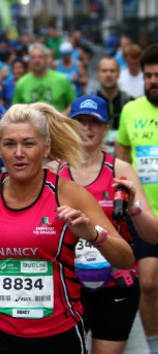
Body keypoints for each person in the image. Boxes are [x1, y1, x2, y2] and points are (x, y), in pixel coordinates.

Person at [0, 102, 134, 353]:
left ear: (46, 147)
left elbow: (125, 258)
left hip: (56, 335)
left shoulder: (70, 195)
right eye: (10, 144)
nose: (19, 153)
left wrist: (93, 236)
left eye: (29, 143)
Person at [55, 94, 158, 354]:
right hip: (68, 285)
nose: (87, 129)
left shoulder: (121, 169)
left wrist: (133, 208)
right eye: (80, 122)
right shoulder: (54, 171)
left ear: (104, 129)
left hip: (116, 282)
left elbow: (153, 235)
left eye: (94, 122)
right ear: (69, 126)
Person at [116, 44, 158, 353]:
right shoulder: (131, 110)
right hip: (145, 212)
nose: (153, 80)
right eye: (148, 76)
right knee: (147, 284)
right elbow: (122, 153)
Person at [12, 43, 76, 114]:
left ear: (46, 59)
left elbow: (74, 103)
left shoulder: (62, 79)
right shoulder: (21, 83)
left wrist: (61, 118)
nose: (37, 60)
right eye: (33, 57)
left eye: (40, 57)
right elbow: (14, 110)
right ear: (30, 61)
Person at [93, 57, 134, 155]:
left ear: (119, 74)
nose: (108, 74)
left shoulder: (130, 102)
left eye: (112, 71)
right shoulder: (89, 103)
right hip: (97, 158)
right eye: (104, 71)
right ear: (98, 74)